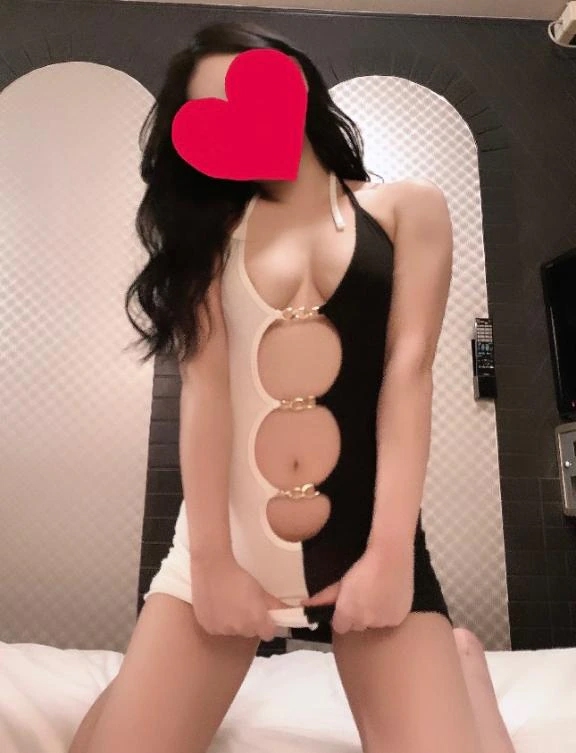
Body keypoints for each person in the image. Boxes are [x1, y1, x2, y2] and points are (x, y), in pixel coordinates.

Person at [68, 19, 515, 753]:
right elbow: (206, 394)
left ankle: (463, 663)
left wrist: (390, 554)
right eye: (213, 113)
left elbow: (408, 375)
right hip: (227, 543)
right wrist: (211, 564)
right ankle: (139, 681)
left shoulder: (408, 208)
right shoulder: (212, 235)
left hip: (366, 542)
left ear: (296, 85)